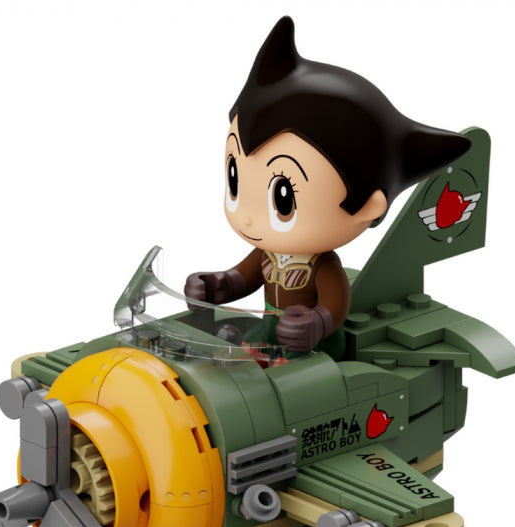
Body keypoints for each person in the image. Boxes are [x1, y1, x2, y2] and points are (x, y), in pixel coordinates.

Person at [185, 16, 470, 357]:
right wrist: (217, 286)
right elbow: (241, 279)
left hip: (314, 349)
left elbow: (334, 307)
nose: (247, 217)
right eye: (235, 178)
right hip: (269, 333)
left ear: (367, 207)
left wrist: (316, 324)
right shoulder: (267, 252)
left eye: (283, 198)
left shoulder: (323, 267)